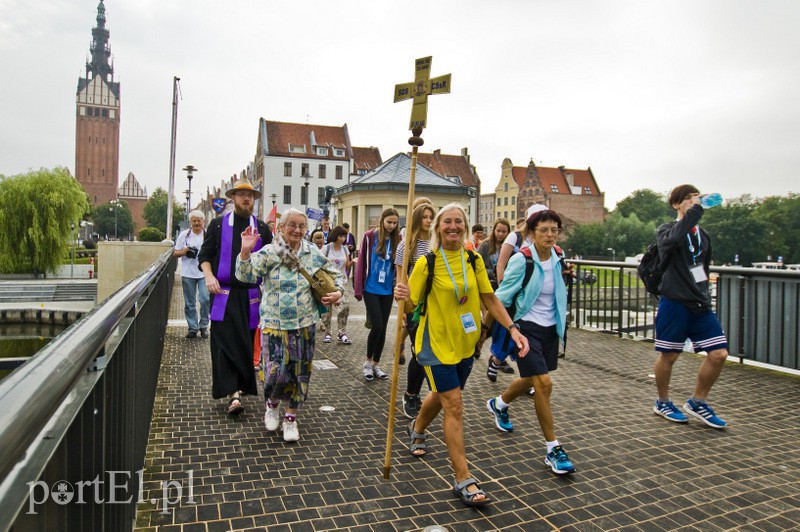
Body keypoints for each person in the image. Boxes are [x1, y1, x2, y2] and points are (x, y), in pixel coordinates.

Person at [394, 203, 528, 507]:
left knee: (443, 395)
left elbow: (489, 299)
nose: (453, 226)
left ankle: (416, 427)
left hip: (467, 343)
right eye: (447, 222)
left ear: (465, 227)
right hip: (435, 344)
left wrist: (512, 329)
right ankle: (463, 477)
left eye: (458, 221)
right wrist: (403, 296)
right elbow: (411, 305)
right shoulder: (427, 263)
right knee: (454, 404)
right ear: (438, 227)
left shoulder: (473, 259)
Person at [236, 208, 345, 441]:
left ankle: (291, 418)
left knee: (300, 372)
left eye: (301, 226)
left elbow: (336, 275)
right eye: (292, 225)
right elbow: (245, 277)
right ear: (281, 228)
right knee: (275, 372)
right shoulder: (269, 252)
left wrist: (338, 292)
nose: (297, 230)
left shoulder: (311, 252)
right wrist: (245, 251)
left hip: (304, 323)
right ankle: (272, 404)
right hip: (274, 324)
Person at [485, 207, 577, 476]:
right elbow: (500, 298)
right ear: (532, 233)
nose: (550, 235)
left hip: (550, 329)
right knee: (544, 384)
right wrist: (484, 330)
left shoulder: (558, 256)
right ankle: (553, 449)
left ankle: (499, 404)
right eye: (544, 230)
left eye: (554, 230)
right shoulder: (522, 260)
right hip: (525, 330)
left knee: (530, 379)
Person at [652, 184, 729, 429]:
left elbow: (702, 267)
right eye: (687, 199)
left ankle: (698, 402)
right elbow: (674, 240)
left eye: (695, 197)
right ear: (676, 204)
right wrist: (693, 212)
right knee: (670, 355)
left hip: (699, 303)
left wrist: (704, 292)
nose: (693, 202)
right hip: (674, 301)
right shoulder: (667, 229)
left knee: (719, 354)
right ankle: (663, 402)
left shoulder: (702, 235)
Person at [198, 177, 272, 416]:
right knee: (224, 343)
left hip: (250, 296)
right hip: (223, 293)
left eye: (250, 195)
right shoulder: (218, 225)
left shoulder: (262, 228)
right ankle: (233, 394)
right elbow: (204, 256)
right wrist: (209, 276)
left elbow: (271, 261)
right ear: (233, 198)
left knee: (244, 342)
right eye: (241, 195)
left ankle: (240, 387)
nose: (246, 199)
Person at [395, 202, 436, 419]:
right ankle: (410, 394)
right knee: (418, 352)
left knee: (427, 352)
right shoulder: (406, 245)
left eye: (431, 217)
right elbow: (401, 277)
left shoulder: (436, 242)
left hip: (434, 303)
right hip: (414, 304)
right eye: (425, 217)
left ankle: (418, 392)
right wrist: (403, 308)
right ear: (417, 219)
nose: (428, 221)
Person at [354, 208, 400, 381]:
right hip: (371, 288)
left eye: (395, 223)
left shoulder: (397, 239)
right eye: (389, 222)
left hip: (387, 289)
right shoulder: (370, 236)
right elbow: (361, 262)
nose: (391, 226)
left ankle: (376, 363)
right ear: (382, 220)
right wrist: (358, 288)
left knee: (384, 328)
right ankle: (367, 362)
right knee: (377, 326)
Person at [174, 210, 209, 339]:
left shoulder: (208, 235)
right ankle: (193, 328)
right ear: (190, 222)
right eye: (194, 221)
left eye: (199, 220)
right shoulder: (184, 235)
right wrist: (184, 252)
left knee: (205, 299)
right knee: (190, 303)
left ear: (203, 222)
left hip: (204, 272)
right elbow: (175, 253)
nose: (196, 223)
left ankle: (204, 326)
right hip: (188, 273)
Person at [320, 225, 352, 344]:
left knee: (345, 306)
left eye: (344, 236)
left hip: (342, 281)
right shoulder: (326, 248)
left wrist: (353, 262)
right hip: (328, 281)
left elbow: (347, 265)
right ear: (335, 236)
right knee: (327, 308)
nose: (342, 239)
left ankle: (342, 332)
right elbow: (320, 264)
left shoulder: (345, 249)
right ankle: (327, 332)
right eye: (340, 236)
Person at [477, 218, 511, 290]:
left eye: (504, 232)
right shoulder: (484, 245)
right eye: (498, 231)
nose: (500, 234)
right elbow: (477, 265)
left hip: (505, 283)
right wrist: (492, 273)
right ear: (494, 230)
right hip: (488, 284)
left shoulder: (510, 247)